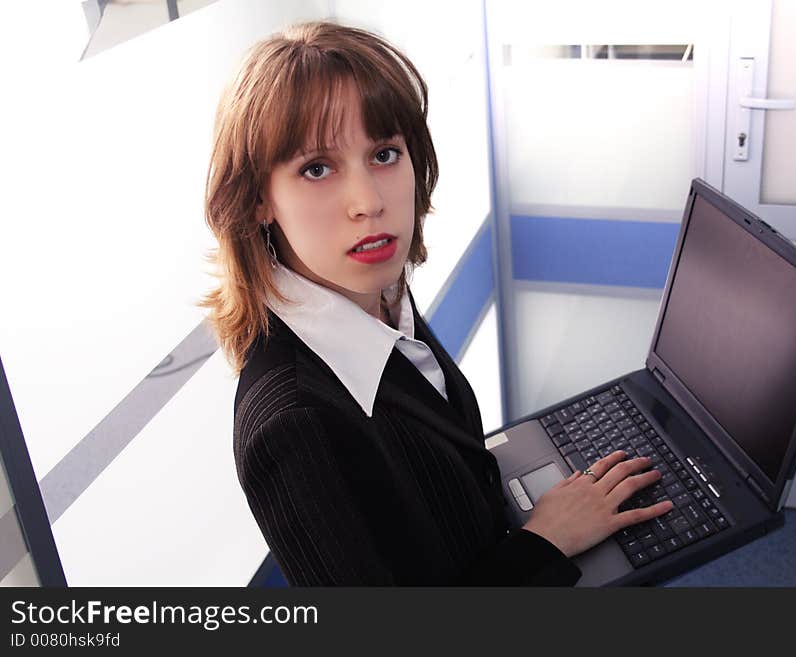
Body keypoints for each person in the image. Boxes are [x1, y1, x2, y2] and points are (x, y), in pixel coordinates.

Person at [200, 21, 673, 586]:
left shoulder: (377, 292)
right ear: (258, 200)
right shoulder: (295, 423)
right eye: (317, 169)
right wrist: (544, 540)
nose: (369, 202)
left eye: (384, 154)